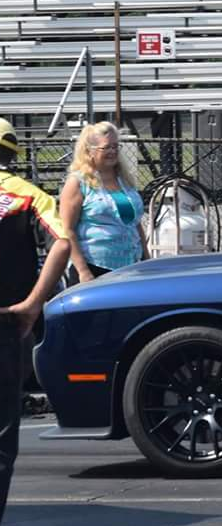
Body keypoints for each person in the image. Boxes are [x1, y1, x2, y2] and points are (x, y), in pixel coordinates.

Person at [0, 118, 71, 523]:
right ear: (12, 154)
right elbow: (62, 239)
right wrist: (32, 304)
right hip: (8, 323)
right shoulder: (28, 195)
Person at [60, 122, 146, 285]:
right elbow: (67, 230)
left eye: (115, 146)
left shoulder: (125, 180)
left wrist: (146, 258)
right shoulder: (78, 183)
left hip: (131, 266)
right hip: (95, 268)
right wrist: (83, 271)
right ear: (89, 151)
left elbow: (135, 223)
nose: (113, 151)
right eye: (106, 147)